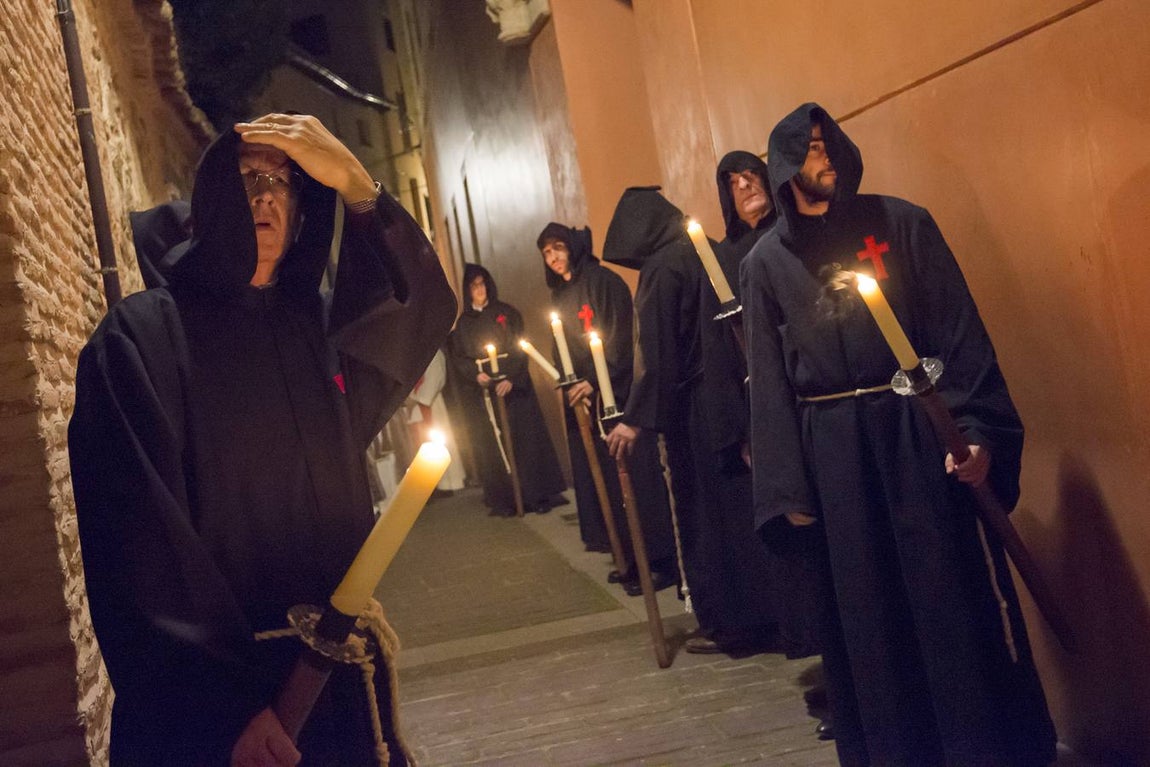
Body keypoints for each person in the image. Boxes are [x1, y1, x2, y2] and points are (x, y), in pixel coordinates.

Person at [69, 113, 457, 765]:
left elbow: (412, 313)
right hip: (225, 718)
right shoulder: (139, 339)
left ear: (306, 211)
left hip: (333, 690)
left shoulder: (314, 334)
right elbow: (138, 538)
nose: (266, 196)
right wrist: (227, 709)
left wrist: (357, 184)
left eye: (286, 182)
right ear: (211, 199)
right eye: (247, 177)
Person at [740, 102, 1056, 765]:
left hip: (916, 436)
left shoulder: (901, 223)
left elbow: (959, 333)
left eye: (830, 145)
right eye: (812, 149)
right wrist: (785, 488)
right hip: (835, 459)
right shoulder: (766, 264)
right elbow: (768, 384)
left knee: (947, 596)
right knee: (866, 614)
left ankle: (977, 747)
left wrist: (977, 432)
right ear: (787, 165)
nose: (826, 158)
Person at [602, 186, 774, 648]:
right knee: (743, 509)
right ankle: (767, 615)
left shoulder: (662, 268)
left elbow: (659, 354)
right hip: (736, 396)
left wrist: (635, 418)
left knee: (707, 514)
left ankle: (730, 623)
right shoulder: (707, 250)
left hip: (695, 407)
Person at [537, 222, 677, 592]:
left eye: (557, 248)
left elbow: (619, 338)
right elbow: (560, 349)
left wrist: (596, 381)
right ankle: (626, 555)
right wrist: (569, 382)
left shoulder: (604, 282)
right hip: (584, 402)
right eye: (546, 252)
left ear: (572, 246)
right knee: (605, 485)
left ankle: (658, 561)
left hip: (617, 395)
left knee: (636, 481)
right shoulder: (559, 296)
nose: (553, 257)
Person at [447, 263, 567, 515]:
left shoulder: (507, 314)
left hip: (513, 390)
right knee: (494, 445)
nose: (479, 290)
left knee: (525, 441)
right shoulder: (464, 325)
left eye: (482, 284)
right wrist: (475, 374)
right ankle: (505, 498)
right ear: (467, 290)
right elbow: (459, 358)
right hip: (486, 395)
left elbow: (519, 347)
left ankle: (534, 495)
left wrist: (511, 378)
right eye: (473, 285)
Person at [406, 348, 467, 494]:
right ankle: (428, 486)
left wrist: (419, 398)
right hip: (414, 405)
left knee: (435, 440)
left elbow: (435, 376)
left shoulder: (432, 352)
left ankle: (447, 483)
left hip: (430, 404)